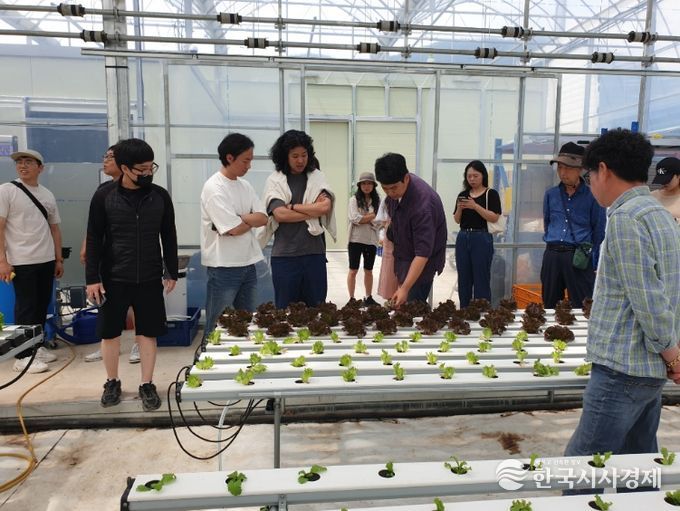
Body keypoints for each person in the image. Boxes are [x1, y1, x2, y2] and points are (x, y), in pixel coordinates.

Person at [565, 129, 680, 463]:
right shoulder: (660, 215)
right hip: (648, 369)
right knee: (638, 461)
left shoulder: (626, 219)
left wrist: (673, 356)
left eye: (589, 175)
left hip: (622, 369)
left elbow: (649, 300)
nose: (590, 183)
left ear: (603, 170)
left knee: (583, 464)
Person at [85, 138, 178, 411]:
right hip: (113, 276)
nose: (148, 173)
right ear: (124, 168)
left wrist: (171, 270)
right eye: (142, 169)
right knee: (110, 333)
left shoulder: (159, 196)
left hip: (149, 275)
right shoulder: (104, 196)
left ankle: (146, 384)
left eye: (151, 168)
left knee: (148, 332)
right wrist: (92, 278)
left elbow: (168, 234)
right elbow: (94, 237)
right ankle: (112, 381)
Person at [0, 149, 62, 373]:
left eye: (28, 162)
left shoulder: (47, 194)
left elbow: (54, 228)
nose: (22, 165)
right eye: (19, 162)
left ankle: (36, 346)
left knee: (41, 306)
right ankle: (23, 356)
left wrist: (58, 259)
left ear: (40, 168)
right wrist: (2, 261)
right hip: (21, 260)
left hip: (46, 259)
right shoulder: (6, 191)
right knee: (25, 308)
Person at [200, 133, 267, 339]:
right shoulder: (214, 187)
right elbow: (234, 229)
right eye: (245, 161)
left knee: (247, 322)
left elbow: (263, 218)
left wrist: (239, 217)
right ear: (229, 158)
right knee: (218, 323)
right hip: (223, 266)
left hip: (248, 262)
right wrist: (246, 220)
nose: (249, 166)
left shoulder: (244, 186)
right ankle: (206, 356)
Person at [259, 130, 336, 309]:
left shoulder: (317, 177)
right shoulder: (276, 181)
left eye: (304, 155)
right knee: (285, 311)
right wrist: (312, 209)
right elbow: (280, 214)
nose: (300, 160)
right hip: (285, 257)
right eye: (295, 156)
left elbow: (324, 207)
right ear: (284, 157)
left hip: (314, 255)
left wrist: (293, 207)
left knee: (317, 310)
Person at [81, 146, 139, 364]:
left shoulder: (139, 191)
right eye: (104, 156)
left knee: (135, 304)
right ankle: (107, 344)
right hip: (107, 259)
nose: (105, 160)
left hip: (130, 260)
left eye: (110, 157)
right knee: (105, 302)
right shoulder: (103, 190)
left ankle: (138, 343)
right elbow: (94, 227)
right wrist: (86, 247)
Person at [374, 152, 447, 307]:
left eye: (393, 188)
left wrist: (405, 288)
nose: (390, 193)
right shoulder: (396, 193)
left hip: (422, 265)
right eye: (385, 189)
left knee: (413, 307)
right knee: (403, 306)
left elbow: (423, 253)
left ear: (406, 178)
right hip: (404, 257)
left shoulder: (423, 205)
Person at [541, 142, 606, 309]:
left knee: (582, 305)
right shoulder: (551, 194)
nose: (563, 173)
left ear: (580, 169)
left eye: (568, 168)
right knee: (549, 304)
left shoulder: (593, 195)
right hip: (552, 254)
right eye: (560, 167)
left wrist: (593, 260)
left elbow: (599, 231)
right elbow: (547, 223)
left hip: (579, 255)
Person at [452, 160, 502, 307]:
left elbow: (494, 217)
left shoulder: (491, 194)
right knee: (464, 277)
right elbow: (457, 219)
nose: (472, 179)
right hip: (463, 237)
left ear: (483, 176)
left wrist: (475, 206)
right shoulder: (463, 195)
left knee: (481, 277)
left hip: (481, 237)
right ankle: (465, 310)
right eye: (469, 176)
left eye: (475, 176)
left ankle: (482, 312)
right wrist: (460, 207)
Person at [347, 171, 381, 305]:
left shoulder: (378, 201)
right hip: (355, 240)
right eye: (364, 183)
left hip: (371, 240)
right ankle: (351, 299)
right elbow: (355, 218)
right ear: (360, 185)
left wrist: (366, 219)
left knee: (369, 270)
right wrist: (372, 216)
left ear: (373, 185)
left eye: (369, 183)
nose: (366, 186)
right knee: (353, 270)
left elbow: (380, 221)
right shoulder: (353, 200)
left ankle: (368, 297)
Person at [650, 156, 680, 223]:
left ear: (678, 176)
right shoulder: (651, 196)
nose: (664, 183)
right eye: (661, 179)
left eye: (668, 179)